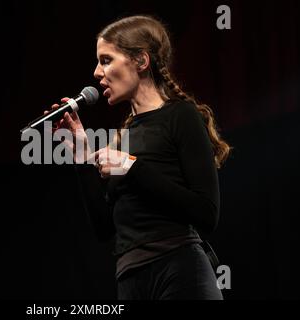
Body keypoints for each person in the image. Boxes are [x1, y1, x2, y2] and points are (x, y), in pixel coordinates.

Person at [45, 15, 231, 300]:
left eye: (106, 60)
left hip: (180, 272)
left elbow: (207, 213)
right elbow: (104, 228)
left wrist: (131, 167)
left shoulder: (180, 116)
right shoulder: (125, 137)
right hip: (131, 280)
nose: (96, 72)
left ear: (141, 62)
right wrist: (82, 156)